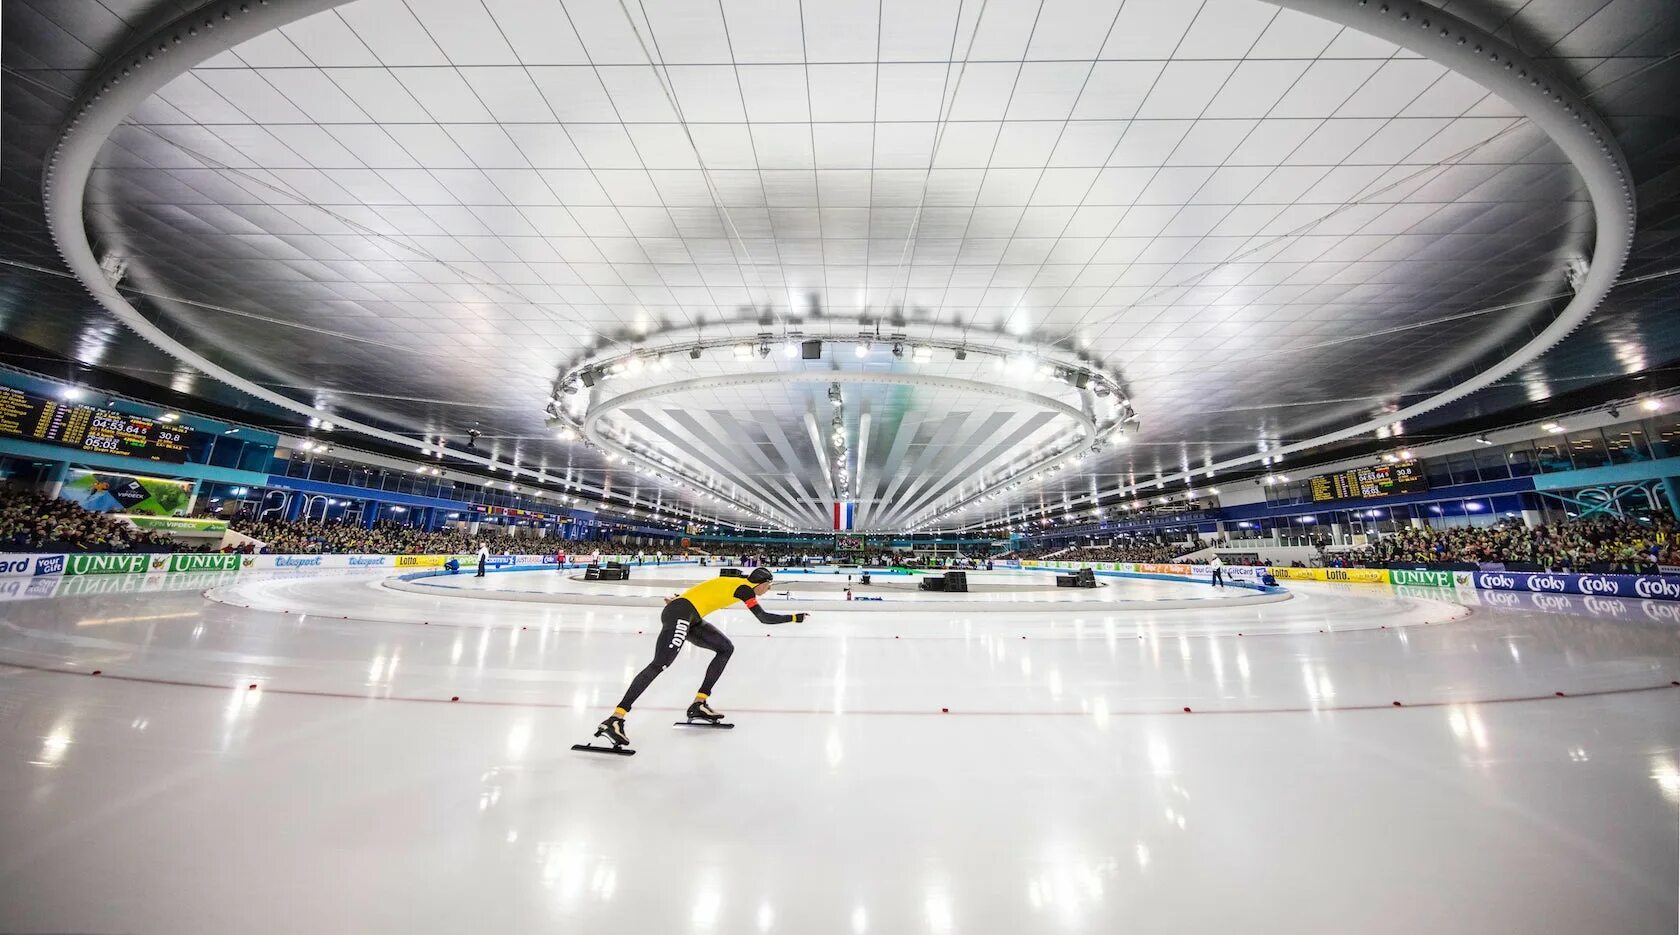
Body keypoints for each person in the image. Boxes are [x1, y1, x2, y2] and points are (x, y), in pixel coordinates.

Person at [593, 567, 810, 749]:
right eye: (769, 586)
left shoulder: (735, 581)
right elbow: (764, 618)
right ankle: (615, 719)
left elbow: (705, 589)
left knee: (725, 648)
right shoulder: (746, 589)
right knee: (660, 664)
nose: (768, 589)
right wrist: (794, 618)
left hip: (690, 615)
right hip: (681, 614)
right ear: (762, 583)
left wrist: (680, 598)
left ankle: (699, 703)